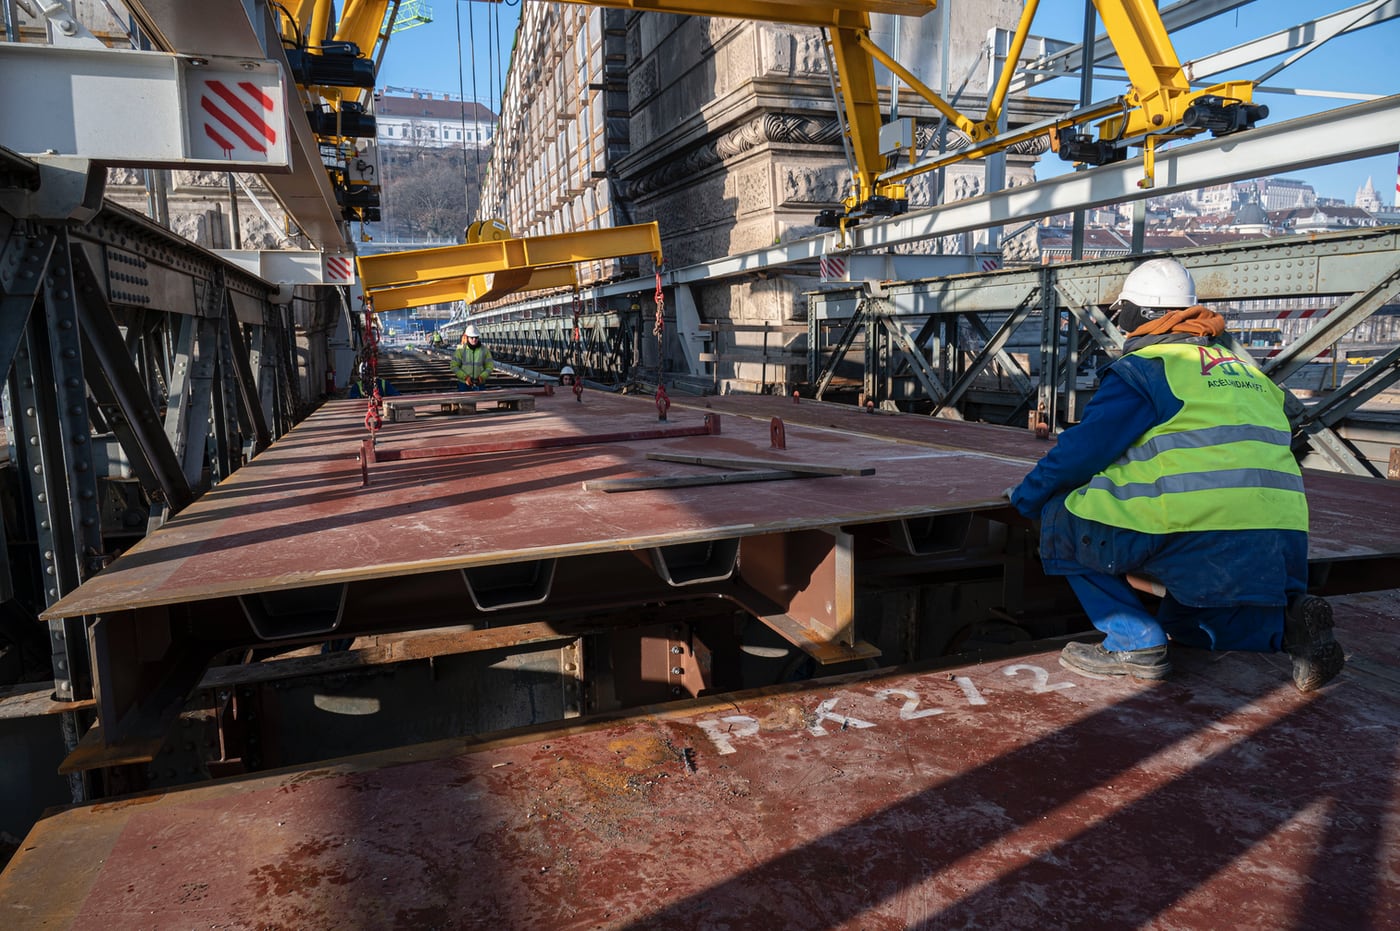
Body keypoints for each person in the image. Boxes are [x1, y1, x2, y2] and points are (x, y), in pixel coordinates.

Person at [1005, 256, 1344, 692]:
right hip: (1280, 535)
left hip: (1198, 527)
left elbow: (1081, 453)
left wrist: (1027, 496)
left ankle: (1133, 642)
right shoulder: (1249, 372)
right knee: (1186, 624)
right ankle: (1288, 627)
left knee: (1060, 515)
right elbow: (1294, 443)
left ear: (1132, 315)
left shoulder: (1148, 368)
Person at [452, 324, 494, 391]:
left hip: (480, 384)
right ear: (467, 337)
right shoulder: (460, 350)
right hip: (464, 384)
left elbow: (490, 367)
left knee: (480, 401)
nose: (474, 339)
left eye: (476, 337)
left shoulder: (484, 350)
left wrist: (482, 377)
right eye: (472, 337)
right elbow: (454, 366)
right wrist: (465, 377)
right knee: (465, 401)